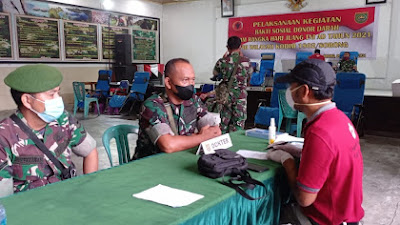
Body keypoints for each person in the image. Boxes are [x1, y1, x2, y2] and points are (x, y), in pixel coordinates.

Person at [267, 59, 364, 225]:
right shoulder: (339, 118)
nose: (289, 91)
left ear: (304, 91)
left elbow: (305, 199)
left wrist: (287, 161)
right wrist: (297, 150)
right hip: (347, 212)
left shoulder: (320, 132)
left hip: (327, 219)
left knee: (269, 209)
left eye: (292, 86)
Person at [0, 64, 98, 196]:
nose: (58, 99)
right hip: (31, 209)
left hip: (69, 198)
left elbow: (90, 151)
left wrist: (89, 189)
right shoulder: (4, 137)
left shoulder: (64, 120)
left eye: (58, 92)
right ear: (27, 100)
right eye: (51, 94)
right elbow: (4, 199)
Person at [133, 58, 221, 159]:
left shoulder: (194, 100)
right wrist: (202, 137)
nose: (190, 85)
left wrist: (190, 139)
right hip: (151, 165)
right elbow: (168, 145)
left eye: (193, 80)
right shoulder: (153, 105)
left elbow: (214, 131)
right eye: (185, 80)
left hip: (180, 159)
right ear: (168, 82)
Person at [201, 36, 252, 133]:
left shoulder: (222, 62)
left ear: (227, 47)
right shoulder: (246, 62)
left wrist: (225, 60)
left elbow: (215, 74)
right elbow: (249, 74)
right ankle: (236, 143)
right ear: (240, 46)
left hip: (225, 96)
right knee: (238, 122)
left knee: (223, 122)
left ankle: (222, 142)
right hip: (240, 97)